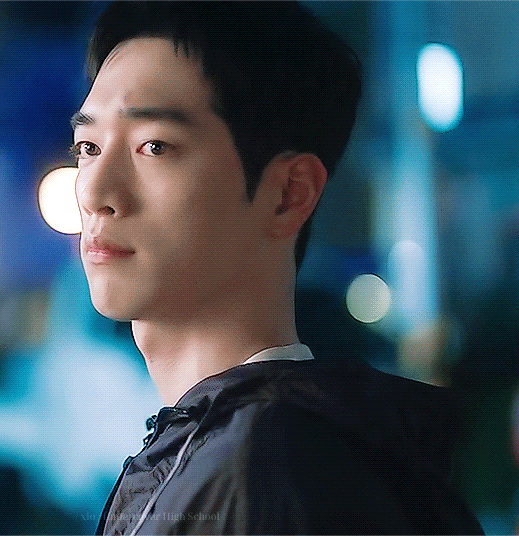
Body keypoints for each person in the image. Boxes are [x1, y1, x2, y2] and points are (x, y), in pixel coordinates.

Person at [70, 2, 484, 534]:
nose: (94, 192)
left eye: (154, 146)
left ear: (288, 193)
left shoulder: (268, 473)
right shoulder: (240, 450)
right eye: (87, 146)